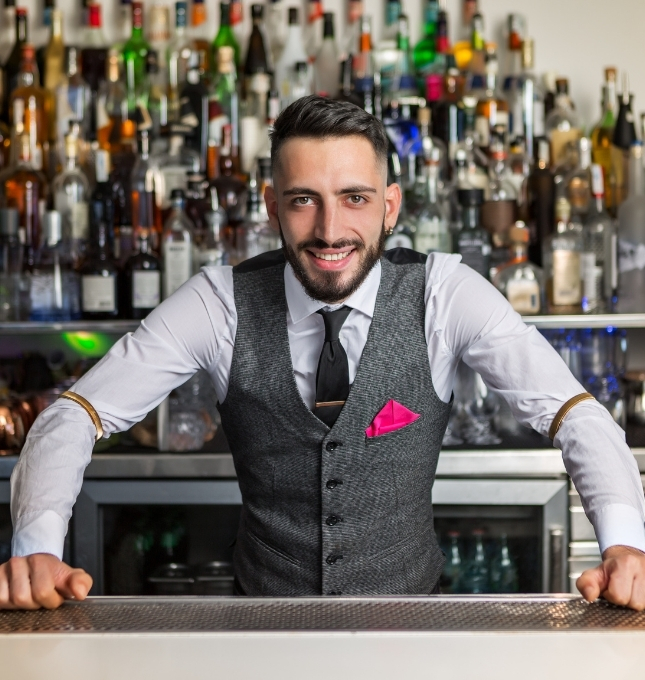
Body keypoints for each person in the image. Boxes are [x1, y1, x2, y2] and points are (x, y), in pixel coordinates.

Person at [2, 95, 645, 609]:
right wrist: (37, 549)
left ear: (389, 206)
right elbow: (76, 413)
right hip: (263, 631)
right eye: (304, 200)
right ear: (271, 208)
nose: (330, 231)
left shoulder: (444, 294)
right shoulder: (219, 302)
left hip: (412, 631)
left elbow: (575, 413)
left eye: (355, 199)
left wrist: (625, 547)